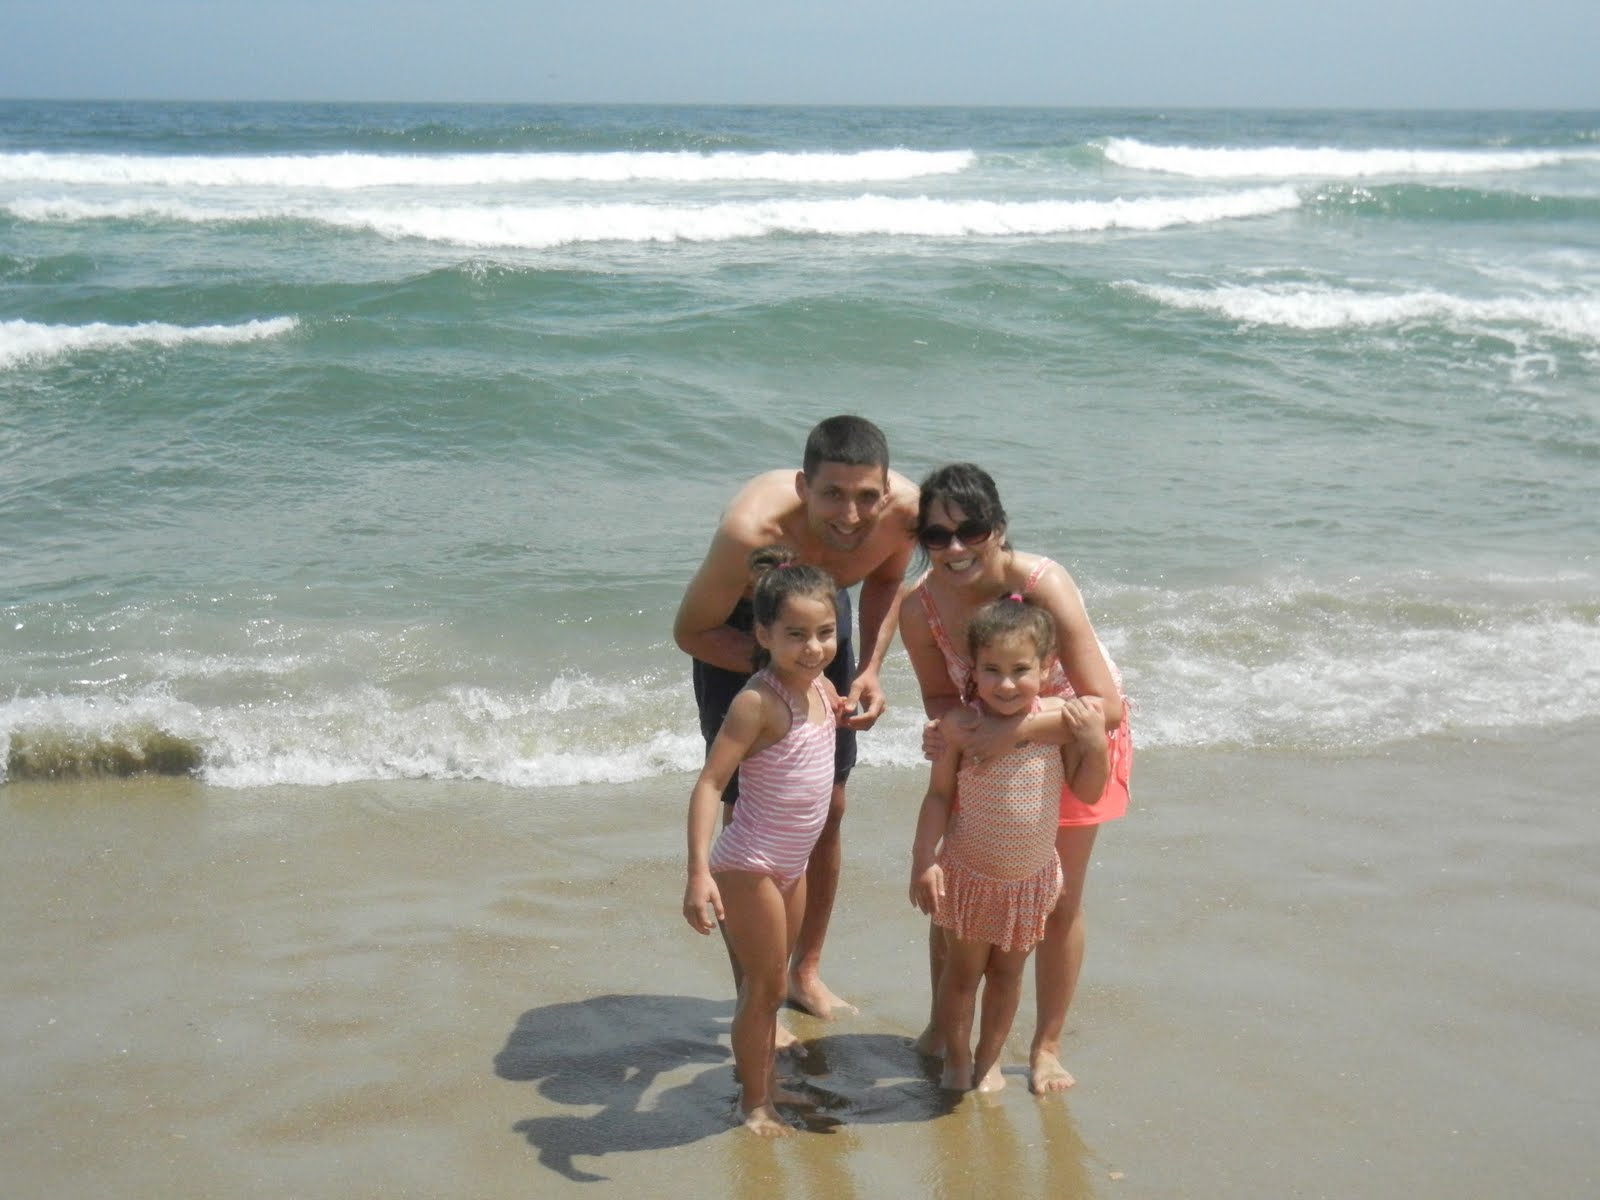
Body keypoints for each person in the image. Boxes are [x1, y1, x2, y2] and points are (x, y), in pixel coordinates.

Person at [674, 415, 918, 1022]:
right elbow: (691, 630)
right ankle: (756, 996)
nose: (851, 515)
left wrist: (870, 669)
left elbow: (888, 579)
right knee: (751, 813)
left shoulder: (903, 516)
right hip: (739, 635)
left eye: (866, 497)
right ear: (803, 487)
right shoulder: (749, 532)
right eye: (832, 494)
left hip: (822, 626)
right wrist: (783, 675)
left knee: (828, 805)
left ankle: (804, 972)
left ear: (887, 492)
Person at [900, 462, 1132, 1093]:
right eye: (937, 535)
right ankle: (944, 1030)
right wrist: (952, 728)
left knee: (1057, 898)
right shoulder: (917, 607)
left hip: (1076, 732)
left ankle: (1046, 1047)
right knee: (960, 890)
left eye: (970, 530)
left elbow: (1105, 705)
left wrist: (1017, 732)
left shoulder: (1040, 582)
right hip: (986, 746)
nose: (954, 547)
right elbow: (937, 695)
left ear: (998, 529)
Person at [910, 597, 1108, 1093]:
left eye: (1020, 670)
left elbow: (1087, 792)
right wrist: (923, 860)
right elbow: (938, 796)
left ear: (1046, 667)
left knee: (1007, 977)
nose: (1005, 684)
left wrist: (1095, 744)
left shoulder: (1060, 720)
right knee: (962, 976)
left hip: (1029, 882)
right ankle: (957, 1059)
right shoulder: (960, 726)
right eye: (991, 670)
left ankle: (988, 1061)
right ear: (972, 671)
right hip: (970, 878)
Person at [682, 547, 844, 1136]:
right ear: (763, 635)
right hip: (747, 863)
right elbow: (710, 784)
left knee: (773, 987)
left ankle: (768, 1087)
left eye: (825, 632)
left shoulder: (820, 687)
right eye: (795, 635)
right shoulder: (757, 702)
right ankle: (755, 1104)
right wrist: (698, 872)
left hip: (790, 865)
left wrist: (846, 706)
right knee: (764, 988)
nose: (813, 647)